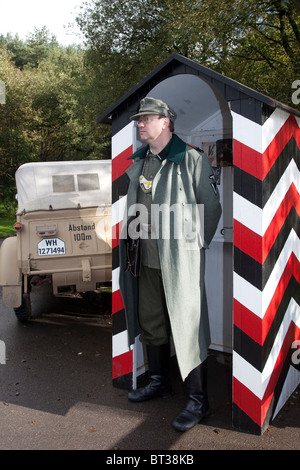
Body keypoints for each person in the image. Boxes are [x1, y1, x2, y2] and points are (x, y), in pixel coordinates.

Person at [119, 97, 222, 432]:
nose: (139, 125)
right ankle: (159, 380)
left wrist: (194, 247)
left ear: (165, 122)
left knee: (189, 326)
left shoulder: (191, 160)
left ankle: (198, 401)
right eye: (138, 121)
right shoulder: (141, 161)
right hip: (145, 261)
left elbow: (211, 208)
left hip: (180, 263)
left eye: (146, 119)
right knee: (151, 321)